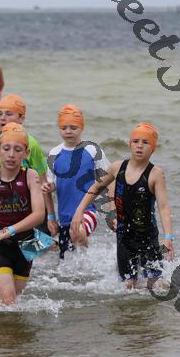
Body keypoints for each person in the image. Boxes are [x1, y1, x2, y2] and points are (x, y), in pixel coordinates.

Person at [71, 123, 174, 289]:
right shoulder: (117, 168)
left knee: (155, 285)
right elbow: (95, 188)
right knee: (128, 285)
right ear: (130, 144)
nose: (139, 146)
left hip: (148, 238)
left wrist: (168, 238)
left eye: (145, 142)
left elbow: (164, 207)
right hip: (124, 237)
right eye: (136, 141)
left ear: (153, 148)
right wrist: (79, 211)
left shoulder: (155, 174)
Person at [0, 123, 45, 305]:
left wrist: (9, 231)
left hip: (27, 244)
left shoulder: (31, 176)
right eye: (6, 149)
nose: (11, 154)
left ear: (26, 153)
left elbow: (39, 214)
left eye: (18, 149)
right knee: (8, 299)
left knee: (15, 301)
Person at [42, 104, 112, 259]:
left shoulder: (92, 150)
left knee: (78, 232)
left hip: (89, 211)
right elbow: (50, 186)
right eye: (64, 128)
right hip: (64, 216)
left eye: (73, 127)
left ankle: (89, 258)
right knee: (66, 260)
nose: (68, 131)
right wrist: (51, 217)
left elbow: (111, 177)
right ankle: (90, 265)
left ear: (82, 127)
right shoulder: (54, 153)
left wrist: (113, 209)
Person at [0, 94, 56, 234]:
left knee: (43, 243)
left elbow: (42, 182)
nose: (2, 118)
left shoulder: (31, 144)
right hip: (10, 207)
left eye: (9, 114)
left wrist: (51, 216)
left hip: (33, 205)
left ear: (22, 118)